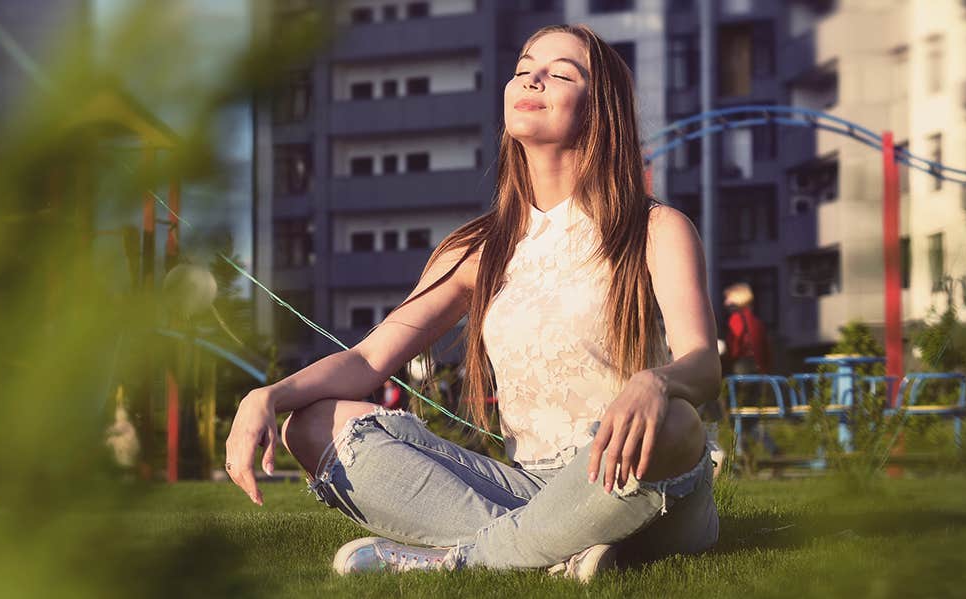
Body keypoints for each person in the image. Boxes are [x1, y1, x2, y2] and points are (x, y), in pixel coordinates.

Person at [223, 24, 720, 581]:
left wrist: (657, 382)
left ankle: (464, 560)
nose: (531, 76)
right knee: (312, 424)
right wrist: (267, 396)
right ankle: (559, 551)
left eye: (559, 73)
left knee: (677, 422)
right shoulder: (478, 249)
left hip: (636, 472)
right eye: (524, 66)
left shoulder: (655, 227)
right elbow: (367, 361)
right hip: (531, 486)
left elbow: (703, 366)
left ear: (599, 110)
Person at [721, 282, 779, 458]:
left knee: (737, 413)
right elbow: (766, 349)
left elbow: (734, 345)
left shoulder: (736, 320)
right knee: (750, 414)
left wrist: (727, 357)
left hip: (741, 369)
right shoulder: (756, 321)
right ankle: (768, 448)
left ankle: (740, 453)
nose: (725, 302)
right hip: (757, 370)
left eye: (728, 298)